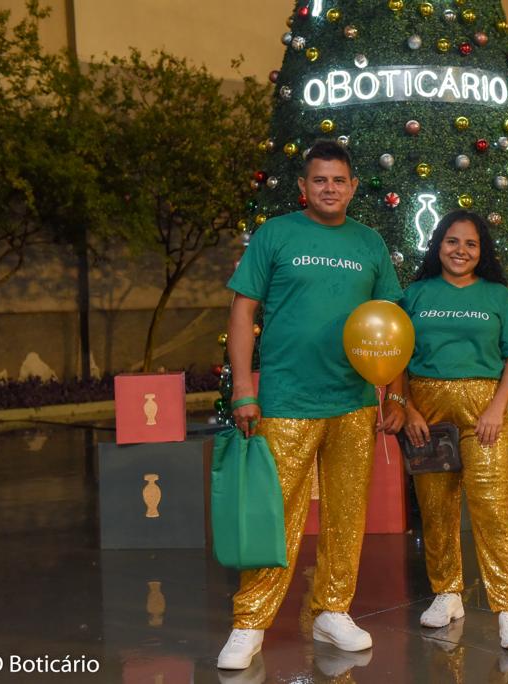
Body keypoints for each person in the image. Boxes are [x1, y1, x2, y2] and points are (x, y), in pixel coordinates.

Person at [217, 141, 406, 670]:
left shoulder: (369, 242)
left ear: (353, 187)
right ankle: (250, 621)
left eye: (339, 180)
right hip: (286, 399)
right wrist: (243, 389)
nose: (329, 188)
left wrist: (394, 392)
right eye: (319, 180)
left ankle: (332, 610)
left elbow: (392, 323)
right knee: (275, 513)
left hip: (353, 400)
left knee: (347, 512)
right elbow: (243, 310)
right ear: (303, 187)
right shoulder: (276, 234)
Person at [395, 210, 508, 650]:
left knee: (493, 509)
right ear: (438, 245)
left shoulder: (497, 296)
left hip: (483, 412)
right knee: (435, 509)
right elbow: (395, 357)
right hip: (427, 413)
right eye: (452, 241)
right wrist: (408, 409)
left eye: (471, 244)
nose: (461, 250)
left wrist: (497, 407)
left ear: (481, 250)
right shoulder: (414, 294)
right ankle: (447, 593)